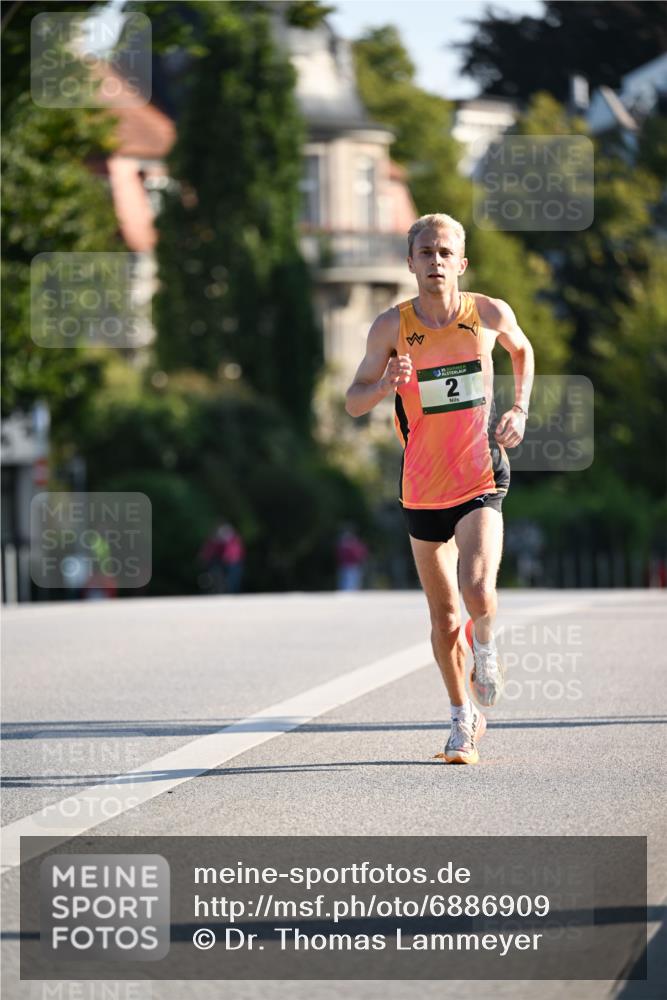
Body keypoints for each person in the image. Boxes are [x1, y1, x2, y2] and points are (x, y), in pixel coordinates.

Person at [345, 213, 534, 765]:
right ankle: (461, 719)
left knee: (477, 590)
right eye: (425, 253)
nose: (436, 262)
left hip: (480, 475)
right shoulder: (391, 327)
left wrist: (520, 409)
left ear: (462, 263)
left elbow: (522, 351)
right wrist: (384, 384)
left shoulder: (490, 313)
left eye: (445, 253)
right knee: (444, 617)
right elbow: (352, 401)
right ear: (410, 262)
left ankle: (488, 647)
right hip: (422, 488)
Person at [336, 526, 369, 591]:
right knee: (347, 583)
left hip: (354, 566)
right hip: (347, 566)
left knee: (353, 583)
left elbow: (362, 553)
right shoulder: (345, 545)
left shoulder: (354, 544)